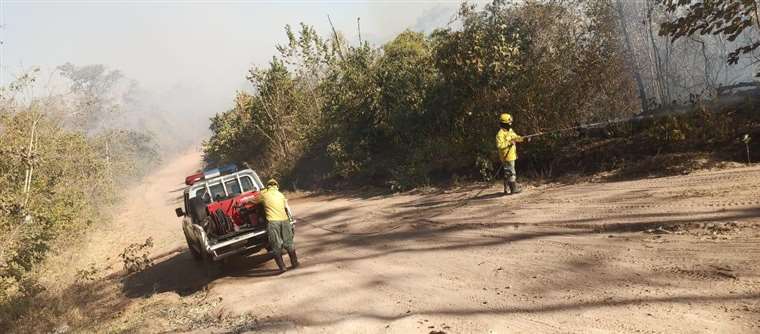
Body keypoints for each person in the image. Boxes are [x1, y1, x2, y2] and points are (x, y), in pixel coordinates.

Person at [242, 178, 298, 272]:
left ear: (268, 186)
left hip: (273, 222)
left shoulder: (264, 194)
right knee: (289, 243)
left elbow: (253, 201)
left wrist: (244, 201)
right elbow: (285, 207)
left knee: (276, 246)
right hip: (284, 220)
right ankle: (295, 263)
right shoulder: (280, 194)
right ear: (276, 186)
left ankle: (282, 268)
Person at [496, 113, 527, 195]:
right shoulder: (500, 134)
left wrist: (523, 138)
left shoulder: (510, 130)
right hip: (506, 157)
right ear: (504, 123)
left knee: (507, 173)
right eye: (509, 123)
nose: (511, 124)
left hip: (512, 155)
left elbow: (515, 137)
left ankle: (507, 189)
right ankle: (513, 189)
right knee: (511, 172)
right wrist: (509, 143)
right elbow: (500, 145)